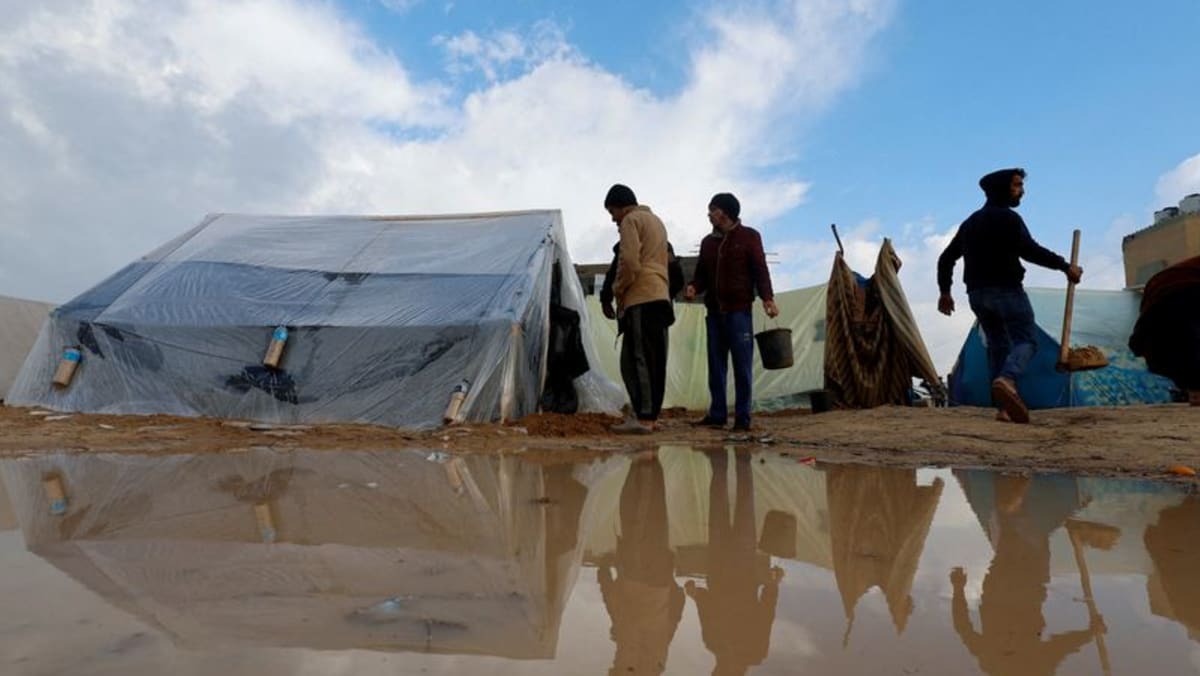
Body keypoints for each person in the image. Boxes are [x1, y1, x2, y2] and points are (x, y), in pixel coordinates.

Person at [937, 168, 1082, 424]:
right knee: (1026, 340)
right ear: (1001, 189)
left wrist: (945, 292)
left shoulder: (970, 223)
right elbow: (1030, 250)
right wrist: (1065, 267)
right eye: (1016, 185)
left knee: (998, 345)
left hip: (977, 295)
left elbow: (946, 258)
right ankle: (1008, 378)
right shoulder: (1008, 218)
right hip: (1006, 290)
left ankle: (1004, 409)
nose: (1021, 191)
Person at [684, 193, 779, 432]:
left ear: (724, 213)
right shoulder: (708, 243)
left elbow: (760, 270)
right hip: (714, 313)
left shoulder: (749, 237)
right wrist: (694, 286)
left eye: (712, 210)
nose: (709, 215)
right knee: (716, 366)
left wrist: (768, 298)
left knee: (742, 366)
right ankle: (717, 415)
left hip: (739, 312)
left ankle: (742, 419)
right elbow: (701, 274)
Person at [598, 451, 685, 675]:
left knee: (654, 515)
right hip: (636, 575)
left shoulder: (658, 655)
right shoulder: (630, 655)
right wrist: (603, 572)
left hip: (659, 579)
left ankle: (649, 461)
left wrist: (669, 582)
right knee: (636, 512)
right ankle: (645, 461)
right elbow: (618, 610)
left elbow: (677, 607)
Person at [604, 184, 672, 434]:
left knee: (638, 360)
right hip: (660, 296)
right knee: (655, 359)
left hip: (641, 297)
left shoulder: (630, 220)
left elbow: (630, 262)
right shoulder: (657, 222)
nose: (613, 219)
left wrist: (618, 289)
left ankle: (644, 418)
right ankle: (651, 415)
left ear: (621, 207)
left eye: (612, 212)